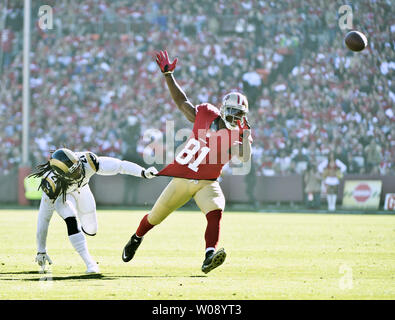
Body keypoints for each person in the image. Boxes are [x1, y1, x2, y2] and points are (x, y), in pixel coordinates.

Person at [122, 50, 253, 274]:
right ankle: (136, 238)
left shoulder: (239, 134)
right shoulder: (206, 114)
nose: (234, 118)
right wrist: (168, 76)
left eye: (238, 114)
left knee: (216, 211)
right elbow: (182, 102)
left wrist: (246, 135)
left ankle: (209, 255)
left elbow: (244, 156)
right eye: (231, 112)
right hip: (182, 179)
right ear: (222, 110)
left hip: (207, 183)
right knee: (154, 217)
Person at [30, 148, 158, 273]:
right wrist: (41, 249)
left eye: (78, 168)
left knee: (91, 229)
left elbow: (120, 165)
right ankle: (90, 264)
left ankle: (80, 234)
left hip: (83, 190)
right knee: (71, 219)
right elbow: (44, 218)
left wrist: (143, 173)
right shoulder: (52, 183)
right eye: (73, 173)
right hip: (63, 197)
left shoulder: (87, 161)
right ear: (61, 175)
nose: (79, 173)